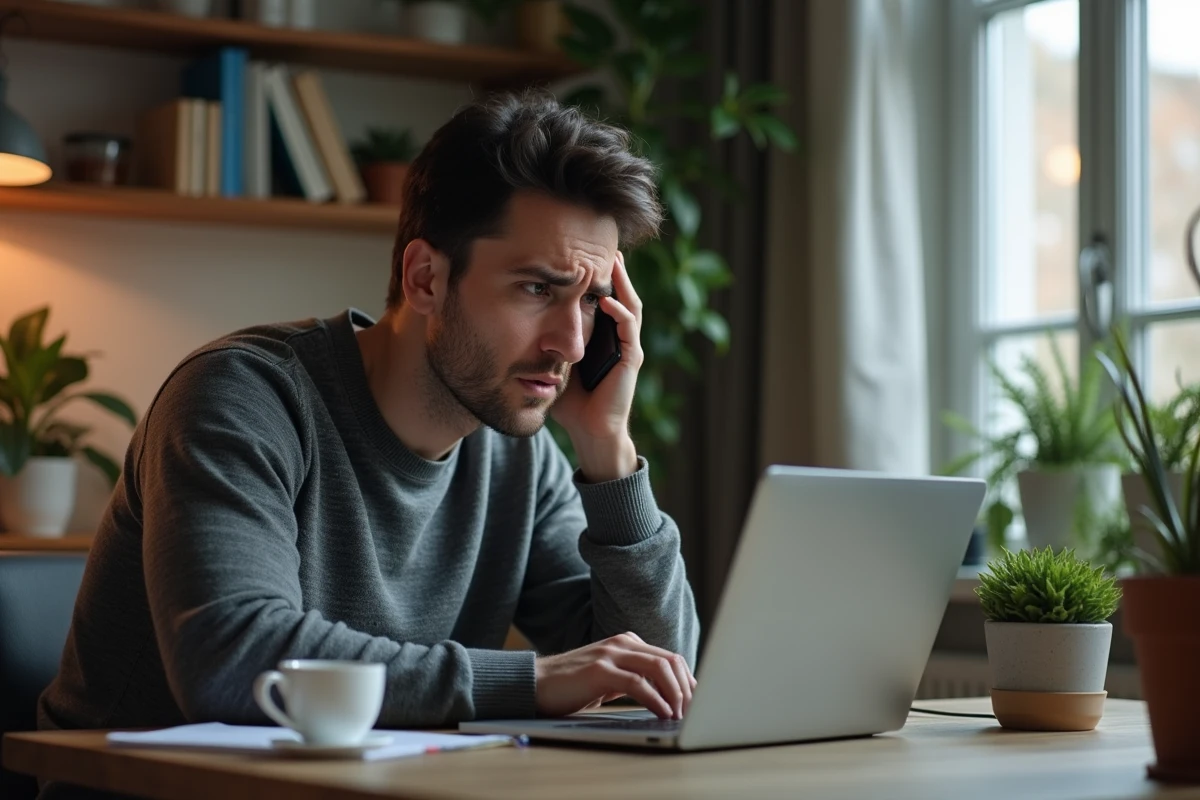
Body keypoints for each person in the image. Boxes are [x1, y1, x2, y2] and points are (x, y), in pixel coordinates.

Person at [37, 90, 700, 751]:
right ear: (425, 279)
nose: (573, 344)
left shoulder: (517, 452)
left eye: (592, 302)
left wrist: (607, 448)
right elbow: (232, 658)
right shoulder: (242, 397)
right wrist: (528, 681)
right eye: (537, 289)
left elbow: (652, 682)